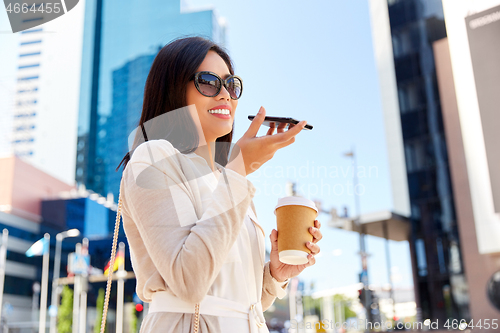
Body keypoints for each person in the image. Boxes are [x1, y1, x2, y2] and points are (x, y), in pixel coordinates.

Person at [116, 36, 323, 333]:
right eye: (209, 82)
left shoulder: (227, 180)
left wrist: (276, 274)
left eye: (231, 84)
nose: (225, 94)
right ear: (173, 88)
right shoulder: (153, 158)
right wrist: (238, 169)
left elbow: (240, 300)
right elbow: (190, 281)